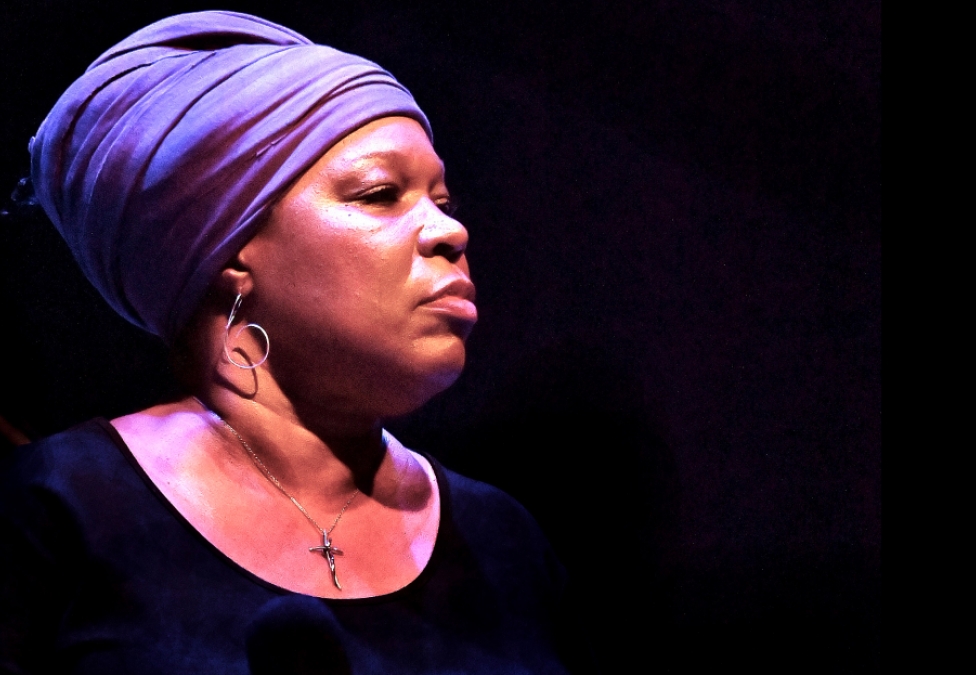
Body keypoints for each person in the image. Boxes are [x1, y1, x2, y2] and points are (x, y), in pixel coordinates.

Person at [0, 11, 584, 674]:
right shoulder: (64, 507)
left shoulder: (504, 541)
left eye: (442, 201)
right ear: (230, 249)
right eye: (380, 194)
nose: (450, 232)